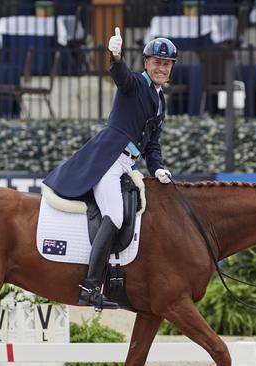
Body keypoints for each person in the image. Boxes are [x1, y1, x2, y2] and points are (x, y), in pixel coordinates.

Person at [42, 27, 176, 310]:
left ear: (171, 68)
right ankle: (90, 288)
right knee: (114, 215)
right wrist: (115, 56)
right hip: (108, 160)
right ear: (146, 63)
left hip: (127, 165)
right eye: (156, 62)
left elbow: (152, 145)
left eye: (166, 64)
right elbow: (122, 78)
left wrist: (159, 168)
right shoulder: (137, 84)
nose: (161, 68)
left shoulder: (160, 101)